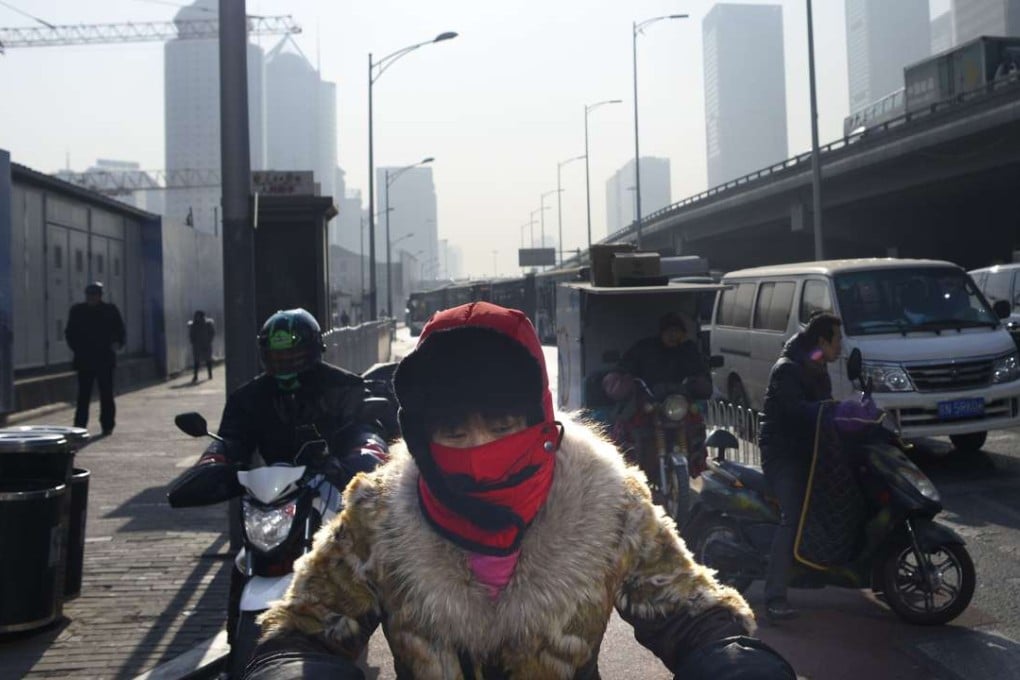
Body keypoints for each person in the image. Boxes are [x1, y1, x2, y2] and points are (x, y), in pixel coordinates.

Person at [243, 301, 796, 680]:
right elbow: (306, 630)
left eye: (502, 428)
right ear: (422, 436)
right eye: (454, 433)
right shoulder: (379, 513)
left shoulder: (609, 504)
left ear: (540, 421)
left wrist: (733, 661)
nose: (479, 452)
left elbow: (690, 614)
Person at [756, 312, 843, 621]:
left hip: (810, 450)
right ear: (822, 341)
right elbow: (796, 412)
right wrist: (828, 409)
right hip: (783, 453)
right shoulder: (788, 369)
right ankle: (775, 596)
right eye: (837, 339)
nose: (841, 346)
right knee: (792, 515)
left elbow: (824, 408)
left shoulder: (818, 367)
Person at [65, 281, 125, 435]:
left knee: (106, 394)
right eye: (90, 295)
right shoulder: (78, 311)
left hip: (105, 359)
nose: (92, 298)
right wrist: (77, 349)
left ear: (100, 296)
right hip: (85, 359)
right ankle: (79, 426)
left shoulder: (110, 310)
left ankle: (107, 424)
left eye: (95, 295)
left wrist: (117, 344)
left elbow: (120, 330)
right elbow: (70, 333)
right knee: (83, 396)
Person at [618, 311, 711, 398]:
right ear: (661, 333)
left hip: (682, 403)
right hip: (648, 402)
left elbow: (700, 372)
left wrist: (701, 384)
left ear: (683, 334)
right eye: (668, 331)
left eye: (676, 331)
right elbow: (626, 366)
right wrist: (622, 380)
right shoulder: (645, 348)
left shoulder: (689, 350)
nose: (672, 335)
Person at [188, 310, 216, 383]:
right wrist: (193, 341)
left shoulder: (208, 324)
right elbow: (191, 334)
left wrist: (209, 340)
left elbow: (212, 333)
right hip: (197, 345)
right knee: (196, 361)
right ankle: (195, 376)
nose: (197, 318)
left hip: (206, 344)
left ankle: (210, 375)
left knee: (208, 360)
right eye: (196, 316)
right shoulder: (194, 325)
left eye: (198, 316)